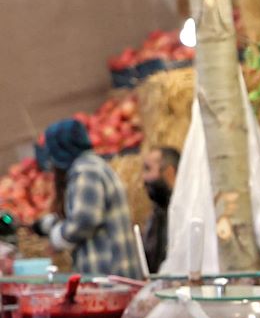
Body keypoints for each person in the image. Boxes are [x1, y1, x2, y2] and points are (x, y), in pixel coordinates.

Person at [31, 118, 145, 278]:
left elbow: (84, 221)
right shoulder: (93, 165)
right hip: (114, 275)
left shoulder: (85, 170)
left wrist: (57, 238)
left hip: (109, 276)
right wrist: (45, 225)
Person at [139, 144, 178, 273]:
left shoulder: (183, 215)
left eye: (148, 169)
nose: (143, 178)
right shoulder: (157, 214)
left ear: (169, 172)